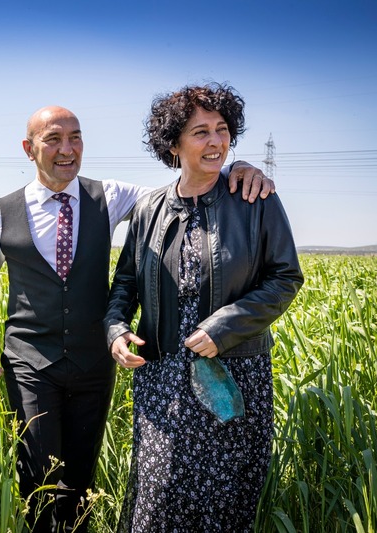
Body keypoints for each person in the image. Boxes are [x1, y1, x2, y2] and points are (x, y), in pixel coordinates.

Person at [0, 105, 272, 532]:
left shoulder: (110, 196)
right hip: (29, 361)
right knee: (37, 479)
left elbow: (185, 184)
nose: (67, 149)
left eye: (76, 138)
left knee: (81, 481)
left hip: (94, 363)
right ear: (29, 148)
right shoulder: (3, 213)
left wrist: (238, 166)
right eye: (53, 139)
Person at [105, 83, 304, 532]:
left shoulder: (255, 200)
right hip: (162, 379)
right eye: (200, 132)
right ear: (173, 144)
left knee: (225, 504)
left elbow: (285, 277)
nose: (216, 142)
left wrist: (224, 327)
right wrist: (115, 329)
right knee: (157, 500)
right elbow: (125, 284)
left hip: (234, 376)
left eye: (222, 130)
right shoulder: (148, 208)